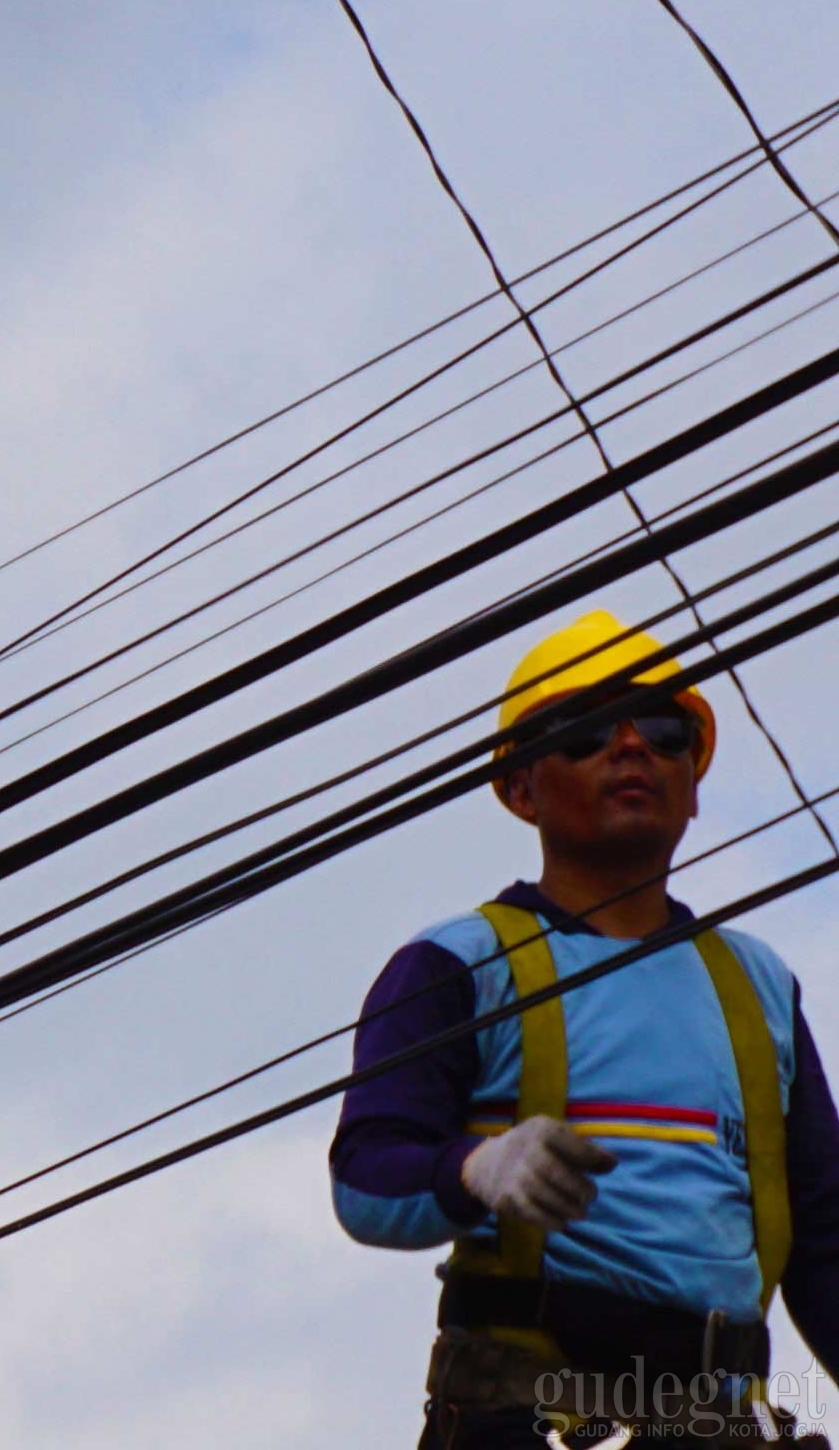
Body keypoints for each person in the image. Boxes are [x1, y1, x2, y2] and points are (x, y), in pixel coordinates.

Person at [332, 611, 839, 1443]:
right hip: (524, 1419)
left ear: (696, 783)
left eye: (665, 730)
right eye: (588, 730)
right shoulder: (460, 964)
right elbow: (363, 1181)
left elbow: (825, 1245)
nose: (632, 746)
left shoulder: (758, 986)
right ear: (521, 788)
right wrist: (476, 1172)